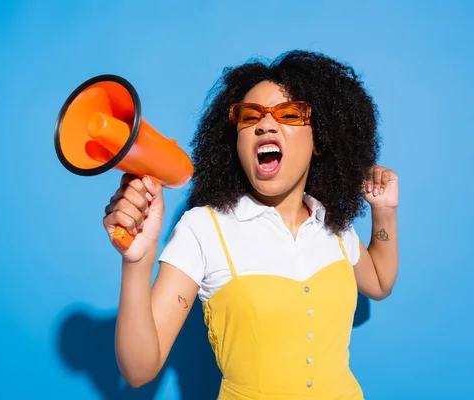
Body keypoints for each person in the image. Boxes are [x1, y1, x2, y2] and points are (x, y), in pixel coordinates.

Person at [102, 50, 399, 399]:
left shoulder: (330, 223)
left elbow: (379, 282)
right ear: (236, 143)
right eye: (249, 116)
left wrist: (384, 210)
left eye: (290, 114)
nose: (265, 124)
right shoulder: (203, 229)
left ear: (320, 141)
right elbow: (139, 370)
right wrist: (137, 261)